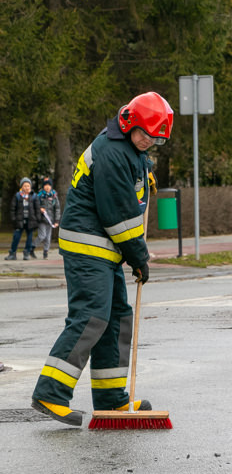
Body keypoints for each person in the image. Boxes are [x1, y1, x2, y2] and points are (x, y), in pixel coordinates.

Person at [31, 91, 173, 426]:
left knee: (117, 317)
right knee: (92, 316)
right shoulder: (111, 152)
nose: (148, 142)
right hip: (88, 246)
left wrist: (145, 170)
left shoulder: (129, 149)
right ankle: (50, 394)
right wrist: (139, 258)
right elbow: (119, 218)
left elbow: (133, 171)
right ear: (129, 123)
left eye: (155, 140)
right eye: (144, 135)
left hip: (104, 251)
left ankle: (112, 399)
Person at [5, 178, 40, 261]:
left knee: (29, 237)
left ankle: (27, 253)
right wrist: (13, 219)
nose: (27, 187)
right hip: (19, 220)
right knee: (16, 237)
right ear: (21, 187)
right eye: (25, 186)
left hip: (30, 221)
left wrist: (37, 219)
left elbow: (37, 209)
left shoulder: (34, 196)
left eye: (28, 186)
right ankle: (12, 253)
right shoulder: (17, 196)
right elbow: (13, 208)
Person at [35, 177, 62, 258]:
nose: (47, 187)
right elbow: (35, 205)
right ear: (43, 186)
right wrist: (40, 209)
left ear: (51, 186)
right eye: (45, 185)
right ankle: (32, 247)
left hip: (51, 220)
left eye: (49, 185)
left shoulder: (54, 196)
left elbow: (57, 208)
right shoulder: (39, 195)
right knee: (42, 236)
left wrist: (56, 220)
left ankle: (45, 252)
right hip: (42, 219)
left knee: (48, 238)